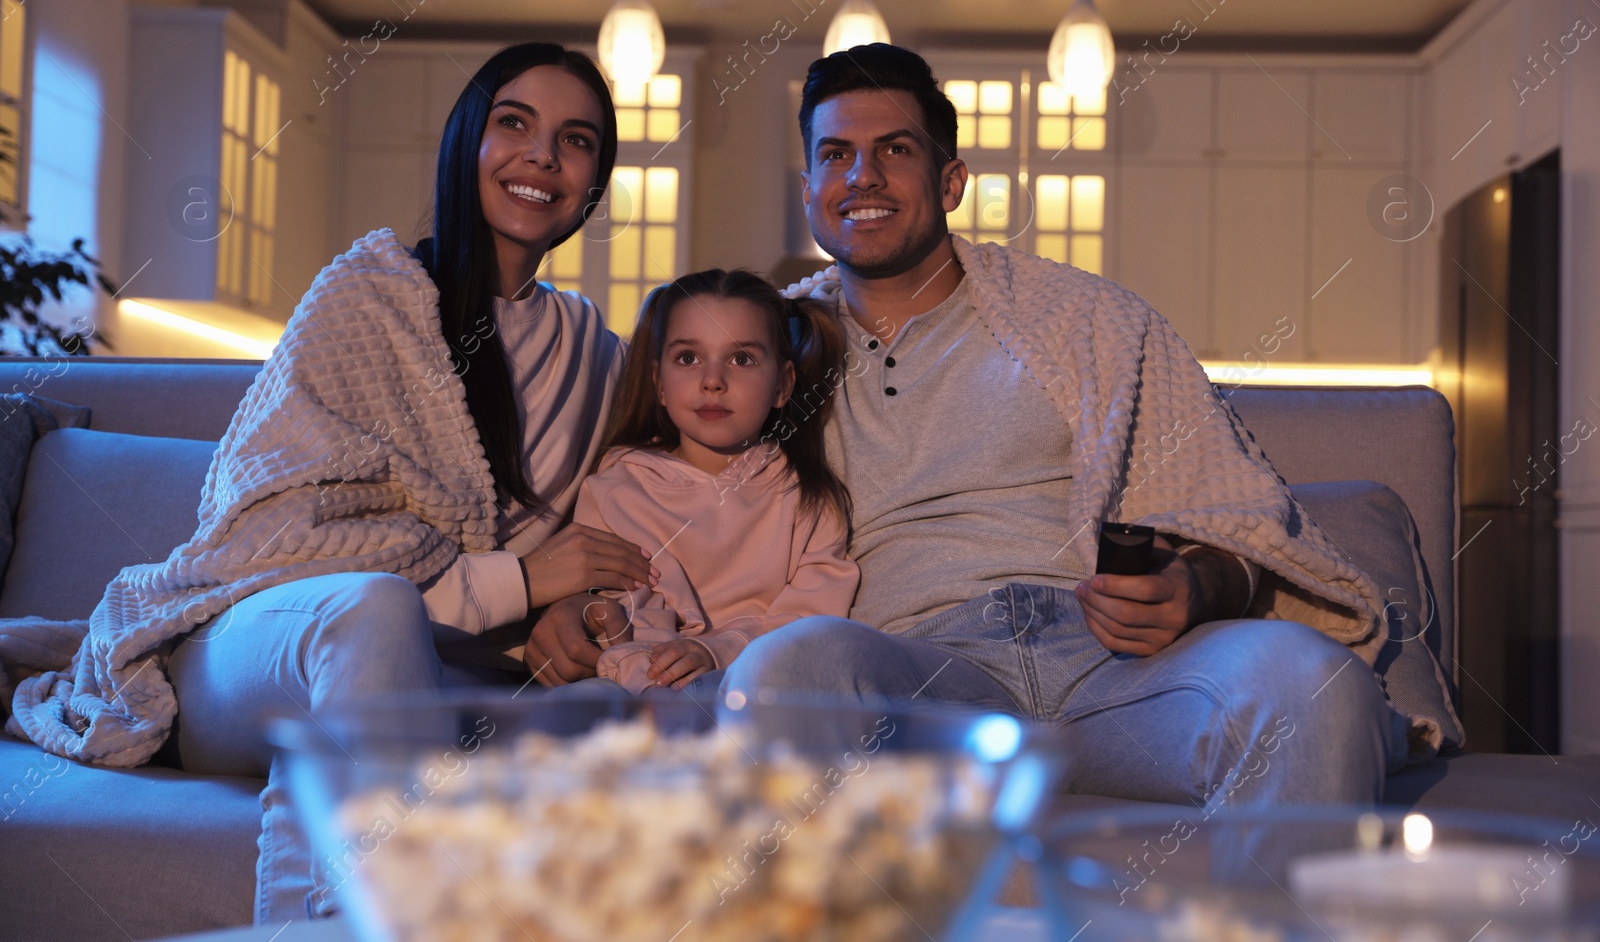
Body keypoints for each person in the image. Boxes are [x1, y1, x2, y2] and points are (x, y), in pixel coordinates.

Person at [531, 44, 1420, 808]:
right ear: (809, 192)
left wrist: (1199, 586)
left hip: (1117, 673)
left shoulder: (1085, 322)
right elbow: (670, 508)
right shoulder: (769, 355)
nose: (862, 176)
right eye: (835, 155)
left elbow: (1236, 520)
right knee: (785, 670)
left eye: (895, 150)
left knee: (1314, 682)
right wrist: (582, 607)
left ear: (949, 178)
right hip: (915, 682)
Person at [2, 42, 654, 924]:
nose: (542, 154)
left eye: (576, 140)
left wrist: (570, 612)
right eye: (514, 123)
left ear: (594, 183)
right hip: (253, 649)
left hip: (437, 674)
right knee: (371, 607)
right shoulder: (368, 294)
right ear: (468, 139)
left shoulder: (593, 354)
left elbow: (734, 371)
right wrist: (527, 582)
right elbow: (278, 530)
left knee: (613, 711)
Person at [558, 268, 858, 694]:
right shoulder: (613, 492)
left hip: (758, 690)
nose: (713, 381)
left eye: (742, 359)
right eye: (688, 358)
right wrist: (658, 663)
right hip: (637, 685)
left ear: (783, 385)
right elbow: (614, 606)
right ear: (659, 383)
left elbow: (810, 622)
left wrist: (720, 650)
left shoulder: (809, 502)